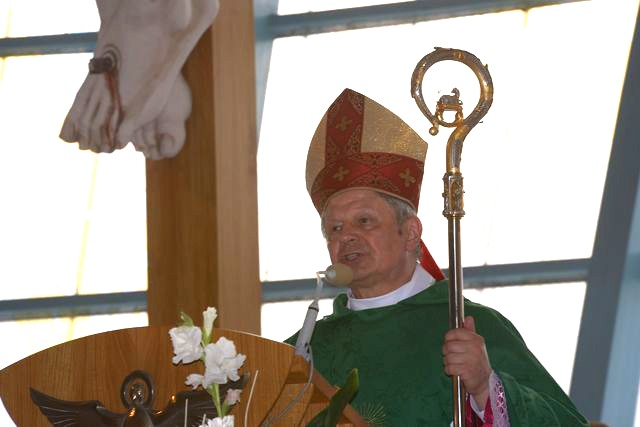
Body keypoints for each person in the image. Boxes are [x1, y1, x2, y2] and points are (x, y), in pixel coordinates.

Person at [287, 88, 589, 426]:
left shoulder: (469, 327)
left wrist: (486, 387)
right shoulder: (302, 353)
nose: (347, 237)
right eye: (335, 229)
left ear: (411, 233)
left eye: (364, 221)